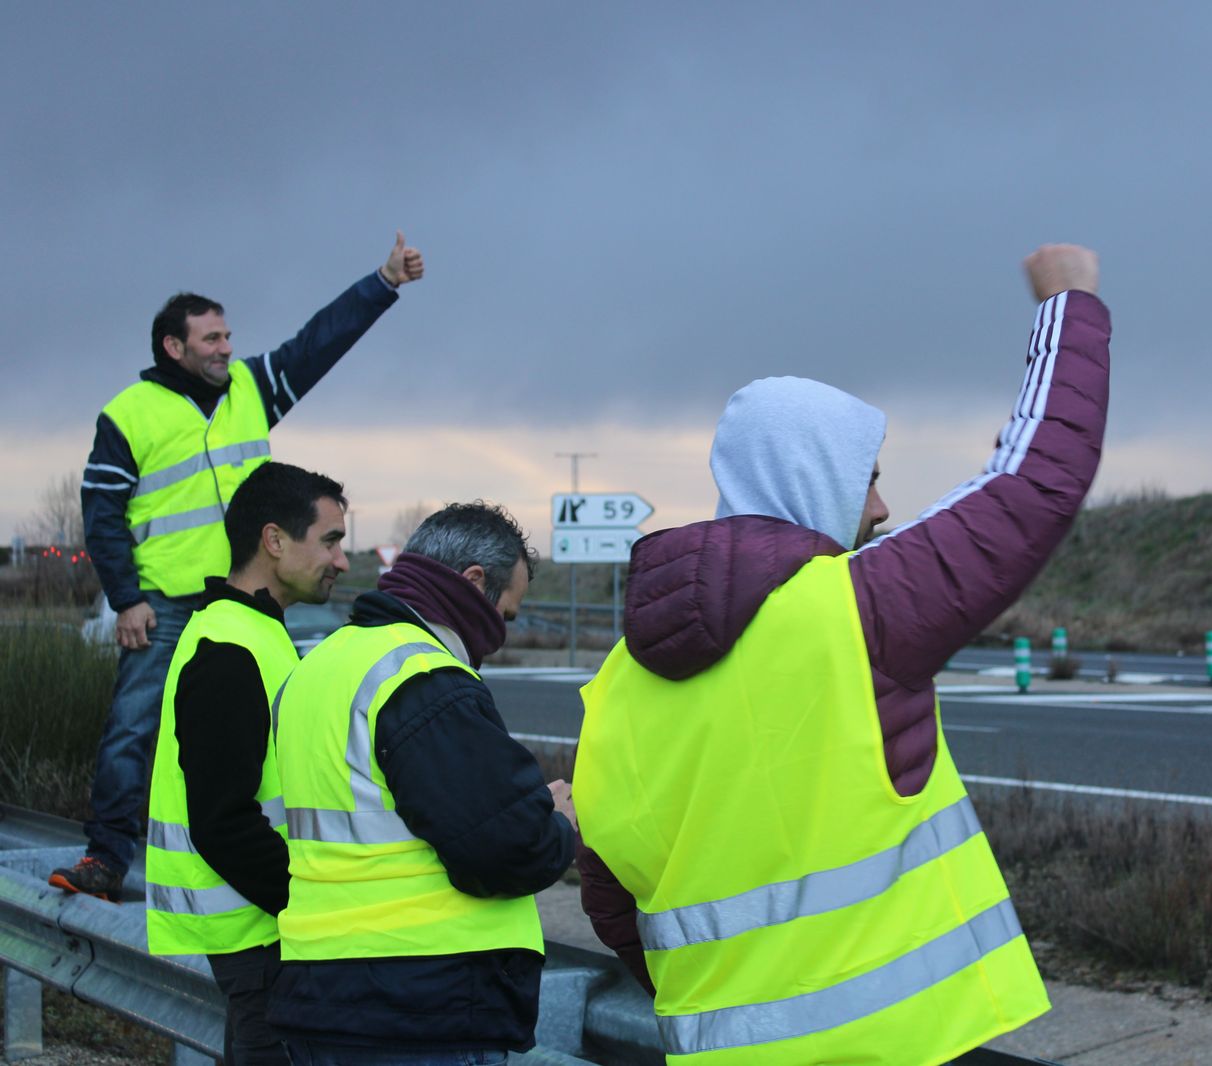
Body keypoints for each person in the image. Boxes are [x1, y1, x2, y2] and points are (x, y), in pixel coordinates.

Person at [573, 243, 1110, 1065]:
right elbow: (1031, 484)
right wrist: (1067, 308)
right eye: (868, 478)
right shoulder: (856, 609)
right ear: (814, 476)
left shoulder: (615, 684)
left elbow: (613, 900)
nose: (886, 508)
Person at [54, 233, 425, 901]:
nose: (227, 347)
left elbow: (318, 343)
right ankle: (106, 858)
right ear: (175, 347)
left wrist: (384, 281)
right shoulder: (128, 414)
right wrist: (125, 597)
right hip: (164, 605)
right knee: (134, 730)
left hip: (246, 602)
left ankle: (286, 857)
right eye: (212, 338)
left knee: (273, 727)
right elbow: (102, 513)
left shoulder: (252, 388)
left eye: (229, 336)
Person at [267, 501, 576, 1065]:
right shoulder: (422, 676)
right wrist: (555, 823)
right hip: (419, 1004)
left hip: (321, 992)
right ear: (473, 582)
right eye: (503, 615)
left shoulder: (316, 667)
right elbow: (505, 850)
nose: (498, 636)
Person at [144, 461, 350, 1066]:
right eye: (331, 541)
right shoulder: (229, 647)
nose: (341, 561)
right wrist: (312, 900)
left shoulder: (253, 632)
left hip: (265, 938)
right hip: (261, 940)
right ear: (275, 540)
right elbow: (223, 822)